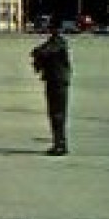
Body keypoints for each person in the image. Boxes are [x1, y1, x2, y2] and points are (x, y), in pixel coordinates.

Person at [30, 20, 73, 156]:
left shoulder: (59, 42)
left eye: (52, 28)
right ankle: (58, 143)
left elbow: (43, 51)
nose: (51, 30)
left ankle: (61, 145)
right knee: (54, 114)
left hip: (58, 82)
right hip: (53, 81)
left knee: (58, 114)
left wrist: (38, 54)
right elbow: (39, 52)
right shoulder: (53, 41)